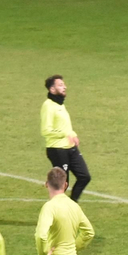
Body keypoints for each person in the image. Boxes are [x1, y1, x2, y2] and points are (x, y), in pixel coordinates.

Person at [40, 74, 91, 202]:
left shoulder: (60, 105)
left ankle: (72, 204)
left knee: (84, 176)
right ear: (52, 89)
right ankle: (58, 211)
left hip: (70, 147)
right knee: (62, 184)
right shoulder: (48, 106)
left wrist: (73, 134)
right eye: (61, 85)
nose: (65, 87)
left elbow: (65, 126)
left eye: (64, 84)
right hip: (57, 149)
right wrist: (64, 133)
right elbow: (46, 130)